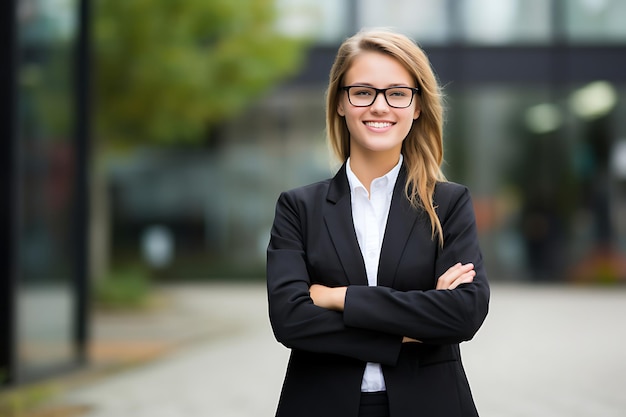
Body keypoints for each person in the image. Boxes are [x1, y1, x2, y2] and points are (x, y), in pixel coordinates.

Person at [266, 28, 490, 417]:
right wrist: (417, 325)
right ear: (340, 101)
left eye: (397, 93)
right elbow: (290, 320)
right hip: (321, 404)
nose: (380, 106)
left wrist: (338, 298)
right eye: (363, 91)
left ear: (417, 106)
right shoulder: (297, 208)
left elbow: (463, 314)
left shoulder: (449, 204)